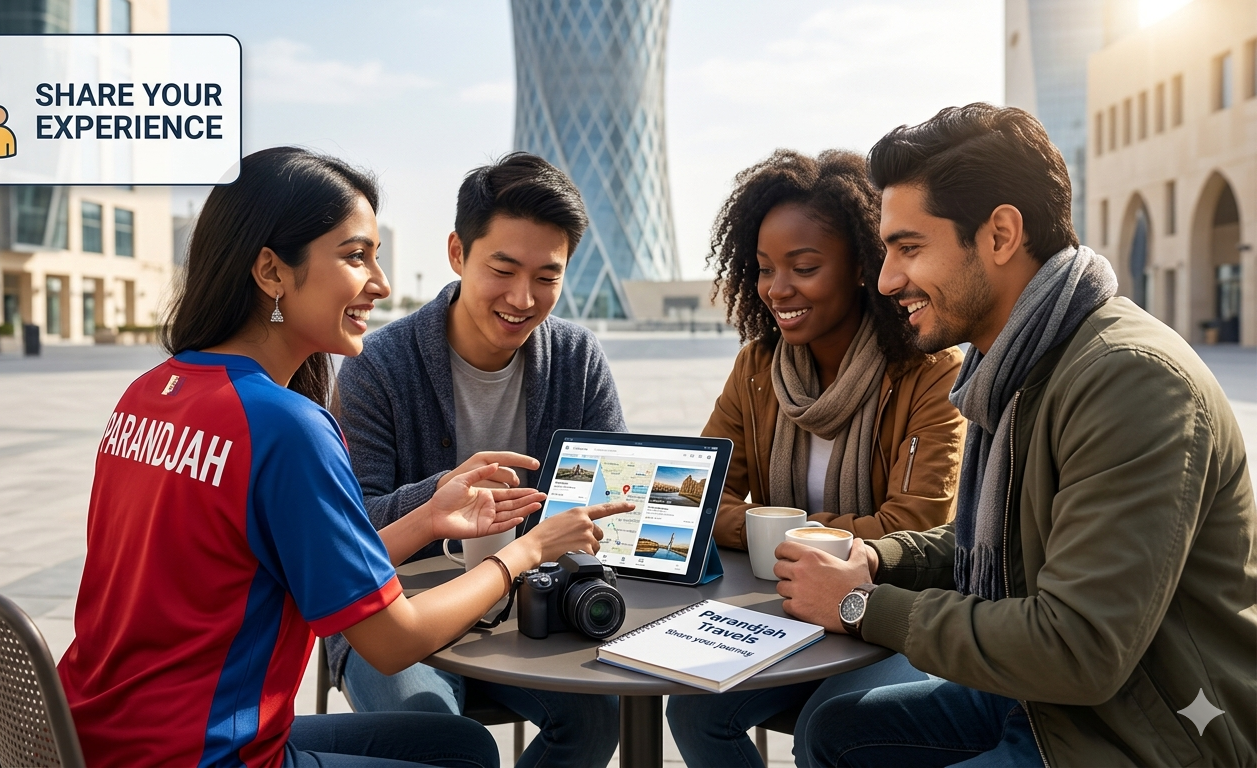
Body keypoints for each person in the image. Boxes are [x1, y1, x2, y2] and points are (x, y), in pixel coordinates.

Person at [56, 146, 632, 768]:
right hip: (206, 752)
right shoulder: (286, 427)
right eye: (357, 256)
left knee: (457, 746)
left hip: (104, 733)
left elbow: (309, 565)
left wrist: (428, 517)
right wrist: (525, 553)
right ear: (272, 272)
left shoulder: (147, 393)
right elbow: (392, 642)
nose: (382, 284)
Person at [777, 104, 1255, 767]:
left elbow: (1079, 649)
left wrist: (861, 605)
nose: (886, 279)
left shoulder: (1130, 380)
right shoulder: (1018, 362)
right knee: (834, 732)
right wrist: (882, 561)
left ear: (1000, 234)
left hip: (1146, 732)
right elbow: (1004, 537)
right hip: (1038, 704)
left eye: (909, 247)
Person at [665, 149, 966, 767]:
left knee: (830, 727)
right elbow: (692, 492)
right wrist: (773, 533)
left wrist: (771, 528)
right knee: (693, 708)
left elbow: (911, 528)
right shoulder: (757, 367)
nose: (778, 289)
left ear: (861, 265)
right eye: (764, 268)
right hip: (785, 610)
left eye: (803, 267)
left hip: (887, 613)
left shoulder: (929, 371)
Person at [325, 152, 626, 768]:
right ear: (458, 253)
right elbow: (349, 534)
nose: (523, 297)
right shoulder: (377, 367)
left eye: (547, 276)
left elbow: (613, 489)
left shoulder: (576, 357)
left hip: (528, 608)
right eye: (504, 269)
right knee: (429, 730)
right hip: (394, 616)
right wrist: (445, 498)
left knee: (595, 719)